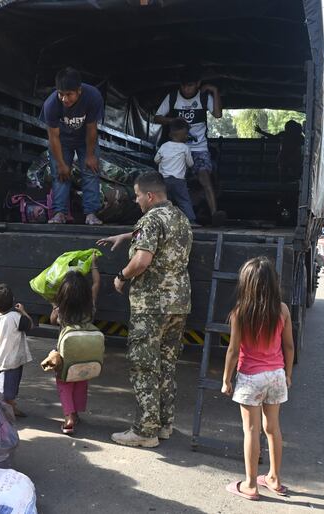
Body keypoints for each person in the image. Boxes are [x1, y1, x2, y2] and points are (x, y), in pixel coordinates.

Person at [98, 171, 192, 447]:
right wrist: (128, 236)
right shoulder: (180, 217)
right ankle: (164, 424)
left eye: (138, 195)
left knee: (144, 366)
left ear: (150, 196)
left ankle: (145, 431)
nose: (136, 200)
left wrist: (121, 276)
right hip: (178, 304)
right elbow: (160, 239)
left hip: (151, 305)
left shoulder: (150, 220)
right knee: (166, 365)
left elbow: (142, 260)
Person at [221, 257, 295, 501]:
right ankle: (274, 478)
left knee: (251, 430)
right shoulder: (282, 310)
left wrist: (226, 379)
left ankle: (251, 484)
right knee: (272, 428)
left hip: (251, 377)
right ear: (273, 283)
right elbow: (289, 347)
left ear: (246, 283)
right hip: (276, 376)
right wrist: (288, 375)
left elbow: (232, 351)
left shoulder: (240, 312)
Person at [154, 66, 222, 221]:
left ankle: (215, 215)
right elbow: (157, 117)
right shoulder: (172, 97)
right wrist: (175, 121)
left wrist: (214, 90)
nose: (186, 89)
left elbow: (218, 115)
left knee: (205, 177)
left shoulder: (204, 98)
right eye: (184, 85)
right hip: (177, 147)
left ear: (198, 84)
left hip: (199, 148)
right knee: (173, 181)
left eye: (190, 85)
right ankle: (164, 216)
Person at [39, 67, 104, 225]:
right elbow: (53, 137)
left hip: (85, 140)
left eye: (69, 94)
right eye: (61, 94)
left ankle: (91, 214)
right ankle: (59, 213)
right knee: (60, 175)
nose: (64, 99)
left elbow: (91, 129)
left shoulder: (93, 96)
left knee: (90, 172)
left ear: (79, 91)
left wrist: (90, 156)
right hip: (61, 142)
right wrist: (61, 164)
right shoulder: (51, 104)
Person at [45, 270, 99, 435]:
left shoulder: (62, 311)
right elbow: (96, 284)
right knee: (81, 381)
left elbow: (52, 320)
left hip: (66, 354)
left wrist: (55, 305)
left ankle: (69, 417)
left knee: (65, 384)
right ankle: (76, 413)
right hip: (87, 353)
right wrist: (94, 266)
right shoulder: (90, 308)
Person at [0, 284, 33, 418]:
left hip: (0, 359)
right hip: (13, 360)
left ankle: (9, 407)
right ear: (13, 300)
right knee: (9, 389)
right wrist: (23, 312)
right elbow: (30, 325)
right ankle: (7, 411)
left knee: (0, 387)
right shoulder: (15, 317)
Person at [154, 118, 198, 225]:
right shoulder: (185, 148)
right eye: (187, 134)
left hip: (164, 180)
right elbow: (191, 164)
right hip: (179, 181)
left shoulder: (164, 146)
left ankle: (161, 221)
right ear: (184, 135)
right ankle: (191, 221)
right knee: (184, 200)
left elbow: (156, 160)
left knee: (164, 202)